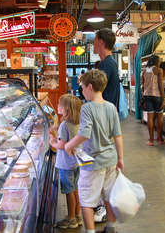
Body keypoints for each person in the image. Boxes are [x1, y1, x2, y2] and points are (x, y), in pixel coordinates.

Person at [65, 69, 124, 233]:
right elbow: (118, 135)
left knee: (87, 200)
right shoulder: (111, 107)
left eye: (82, 88)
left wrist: (70, 145)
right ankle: (111, 228)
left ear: (90, 87)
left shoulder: (87, 108)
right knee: (109, 197)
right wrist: (121, 159)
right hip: (110, 161)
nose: (82, 91)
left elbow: (84, 133)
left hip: (93, 163)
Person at [49, 94, 83, 229]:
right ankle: (77, 215)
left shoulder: (64, 125)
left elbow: (62, 145)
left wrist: (52, 142)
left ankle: (71, 219)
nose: (57, 106)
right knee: (75, 190)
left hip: (65, 164)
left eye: (59, 105)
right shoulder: (77, 123)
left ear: (66, 109)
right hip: (76, 162)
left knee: (69, 191)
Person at [141, 55, 165, 146]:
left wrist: (143, 95)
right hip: (157, 96)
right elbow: (160, 85)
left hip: (147, 96)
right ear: (156, 61)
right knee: (159, 117)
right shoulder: (158, 70)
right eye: (159, 61)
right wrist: (163, 99)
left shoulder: (144, 71)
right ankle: (159, 139)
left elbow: (142, 86)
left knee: (150, 118)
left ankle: (151, 140)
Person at [94, 29, 120, 108]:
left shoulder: (106, 64)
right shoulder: (111, 62)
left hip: (104, 111)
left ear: (101, 42)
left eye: (95, 41)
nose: (93, 44)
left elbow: (97, 90)